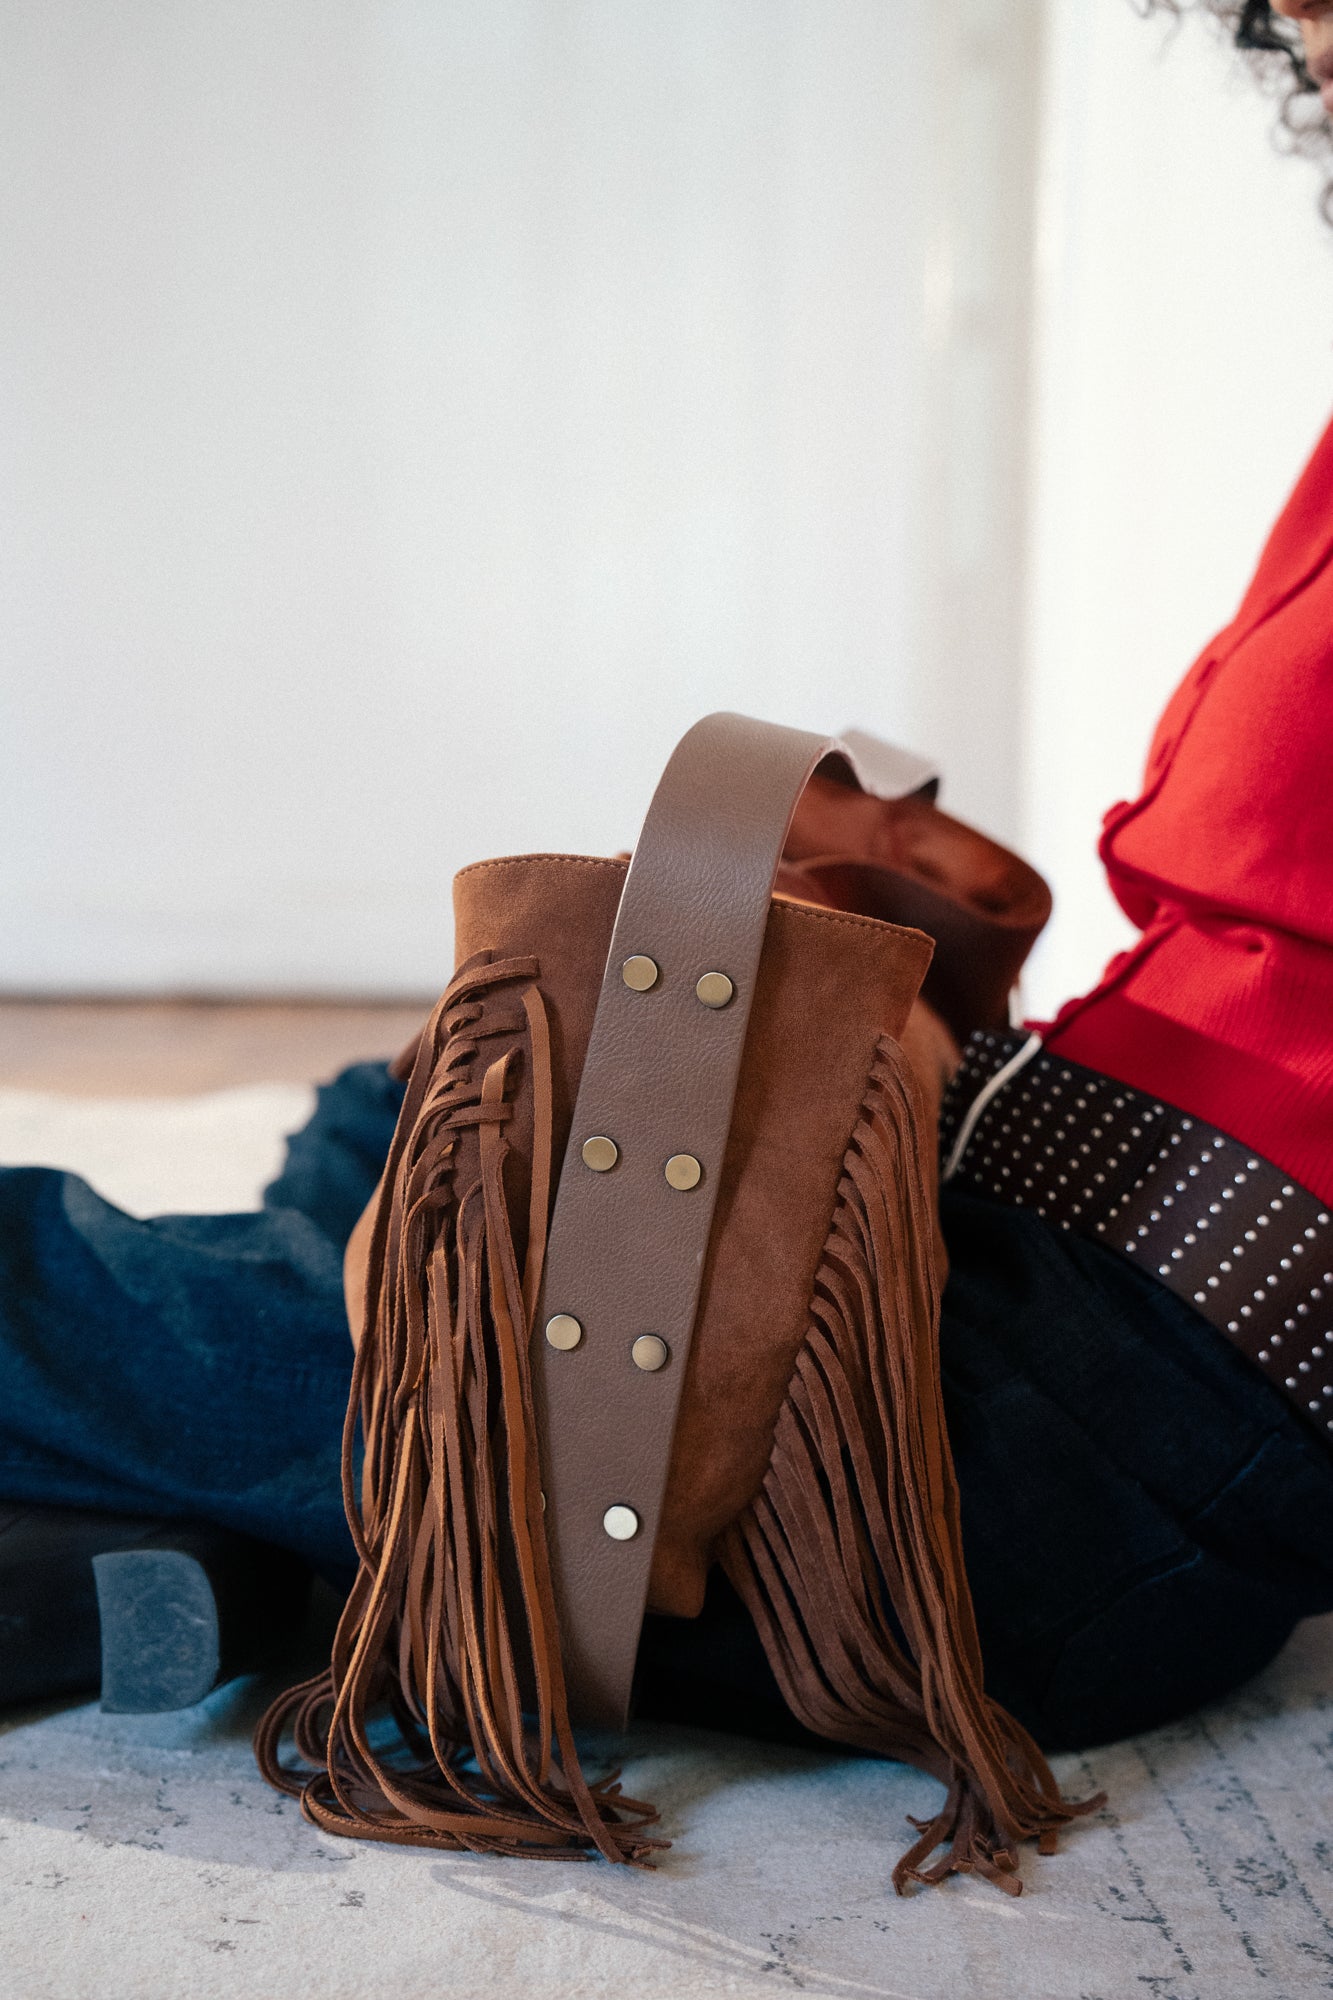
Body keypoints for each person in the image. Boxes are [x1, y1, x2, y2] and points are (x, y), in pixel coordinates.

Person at [2, 0, 1331, 1767]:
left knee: (55, 1297)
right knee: (388, 1125)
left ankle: (284, 1521)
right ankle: (261, 1536)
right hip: (1030, 1246)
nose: (1293, 40)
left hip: (1084, 1444)